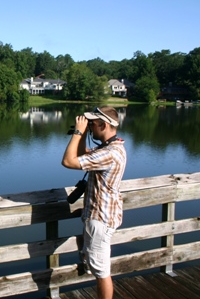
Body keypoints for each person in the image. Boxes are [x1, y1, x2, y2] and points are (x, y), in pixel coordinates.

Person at [61, 106, 126, 299]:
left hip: (100, 220)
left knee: (102, 273)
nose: (90, 128)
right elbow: (82, 156)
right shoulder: (112, 148)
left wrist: (78, 132)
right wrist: (81, 136)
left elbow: (68, 161)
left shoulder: (109, 154)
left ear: (103, 124)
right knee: (99, 268)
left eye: (92, 125)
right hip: (101, 215)